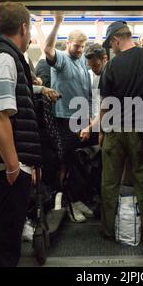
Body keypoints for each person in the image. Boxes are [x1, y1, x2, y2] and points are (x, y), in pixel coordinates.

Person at [0, 1, 59, 266]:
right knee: (1, 250)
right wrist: (14, 167)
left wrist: (38, 91)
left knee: (4, 243)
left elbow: (11, 96)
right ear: (24, 28)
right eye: (29, 32)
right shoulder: (3, 60)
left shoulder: (6, 59)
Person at [99, 21, 143, 240]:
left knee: (110, 182)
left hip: (116, 130)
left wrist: (101, 129)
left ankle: (108, 230)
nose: (111, 48)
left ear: (116, 40)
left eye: (111, 44)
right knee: (142, 180)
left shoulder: (111, 66)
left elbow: (106, 103)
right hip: (142, 129)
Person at [44, 13, 93, 222]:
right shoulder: (62, 59)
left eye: (82, 47)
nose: (80, 50)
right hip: (65, 117)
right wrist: (57, 23)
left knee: (82, 161)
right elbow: (48, 49)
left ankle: (78, 199)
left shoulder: (82, 60)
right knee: (69, 161)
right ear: (68, 44)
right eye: (76, 46)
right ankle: (69, 202)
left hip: (82, 117)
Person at [80, 43, 108, 144]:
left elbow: (106, 107)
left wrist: (91, 127)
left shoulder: (112, 76)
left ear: (105, 59)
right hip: (97, 124)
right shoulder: (94, 76)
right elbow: (96, 101)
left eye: (96, 65)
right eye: (90, 66)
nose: (93, 69)